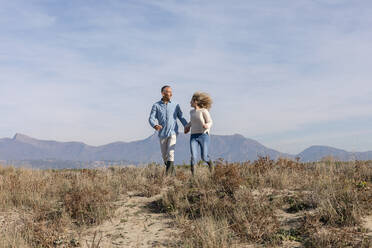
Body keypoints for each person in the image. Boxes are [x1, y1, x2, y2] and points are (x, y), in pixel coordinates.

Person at [148, 85, 188, 175]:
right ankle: (173, 173)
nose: (170, 93)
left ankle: (168, 177)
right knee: (164, 156)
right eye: (168, 92)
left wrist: (186, 125)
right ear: (163, 93)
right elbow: (151, 118)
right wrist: (155, 125)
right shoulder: (156, 105)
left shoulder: (175, 105)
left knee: (171, 153)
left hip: (173, 132)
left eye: (171, 91)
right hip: (162, 134)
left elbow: (181, 117)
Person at [184, 92, 213, 176]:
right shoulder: (191, 112)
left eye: (191, 101)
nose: (190, 102)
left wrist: (207, 125)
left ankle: (211, 168)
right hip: (193, 136)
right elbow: (192, 122)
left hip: (203, 135)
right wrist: (187, 127)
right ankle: (193, 177)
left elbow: (210, 122)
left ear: (195, 101)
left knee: (204, 157)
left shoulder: (204, 111)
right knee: (193, 156)